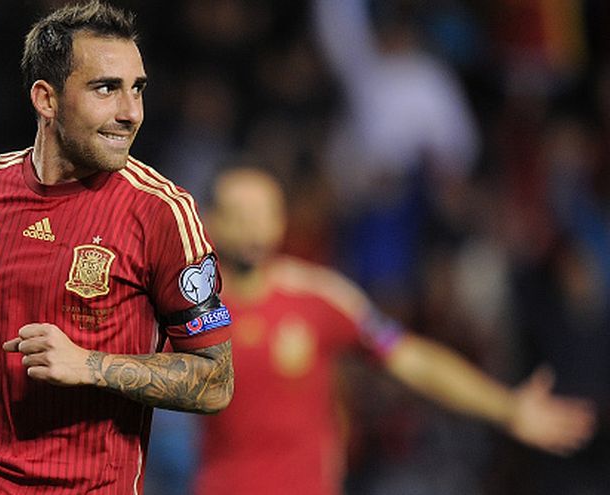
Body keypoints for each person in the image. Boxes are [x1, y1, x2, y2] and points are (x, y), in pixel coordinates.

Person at [0, 2, 233, 493]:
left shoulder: (163, 213)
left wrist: (90, 365)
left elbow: (216, 381)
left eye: (137, 89)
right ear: (46, 99)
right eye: (106, 88)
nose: (131, 113)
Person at [192, 167, 596, 495]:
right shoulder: (182, 312)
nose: (253, 227)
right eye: (238, 214)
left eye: (264, 213)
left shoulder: (320, 298)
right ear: (209, 220)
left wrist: (506, 408)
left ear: (282, 219)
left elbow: (411, 359)